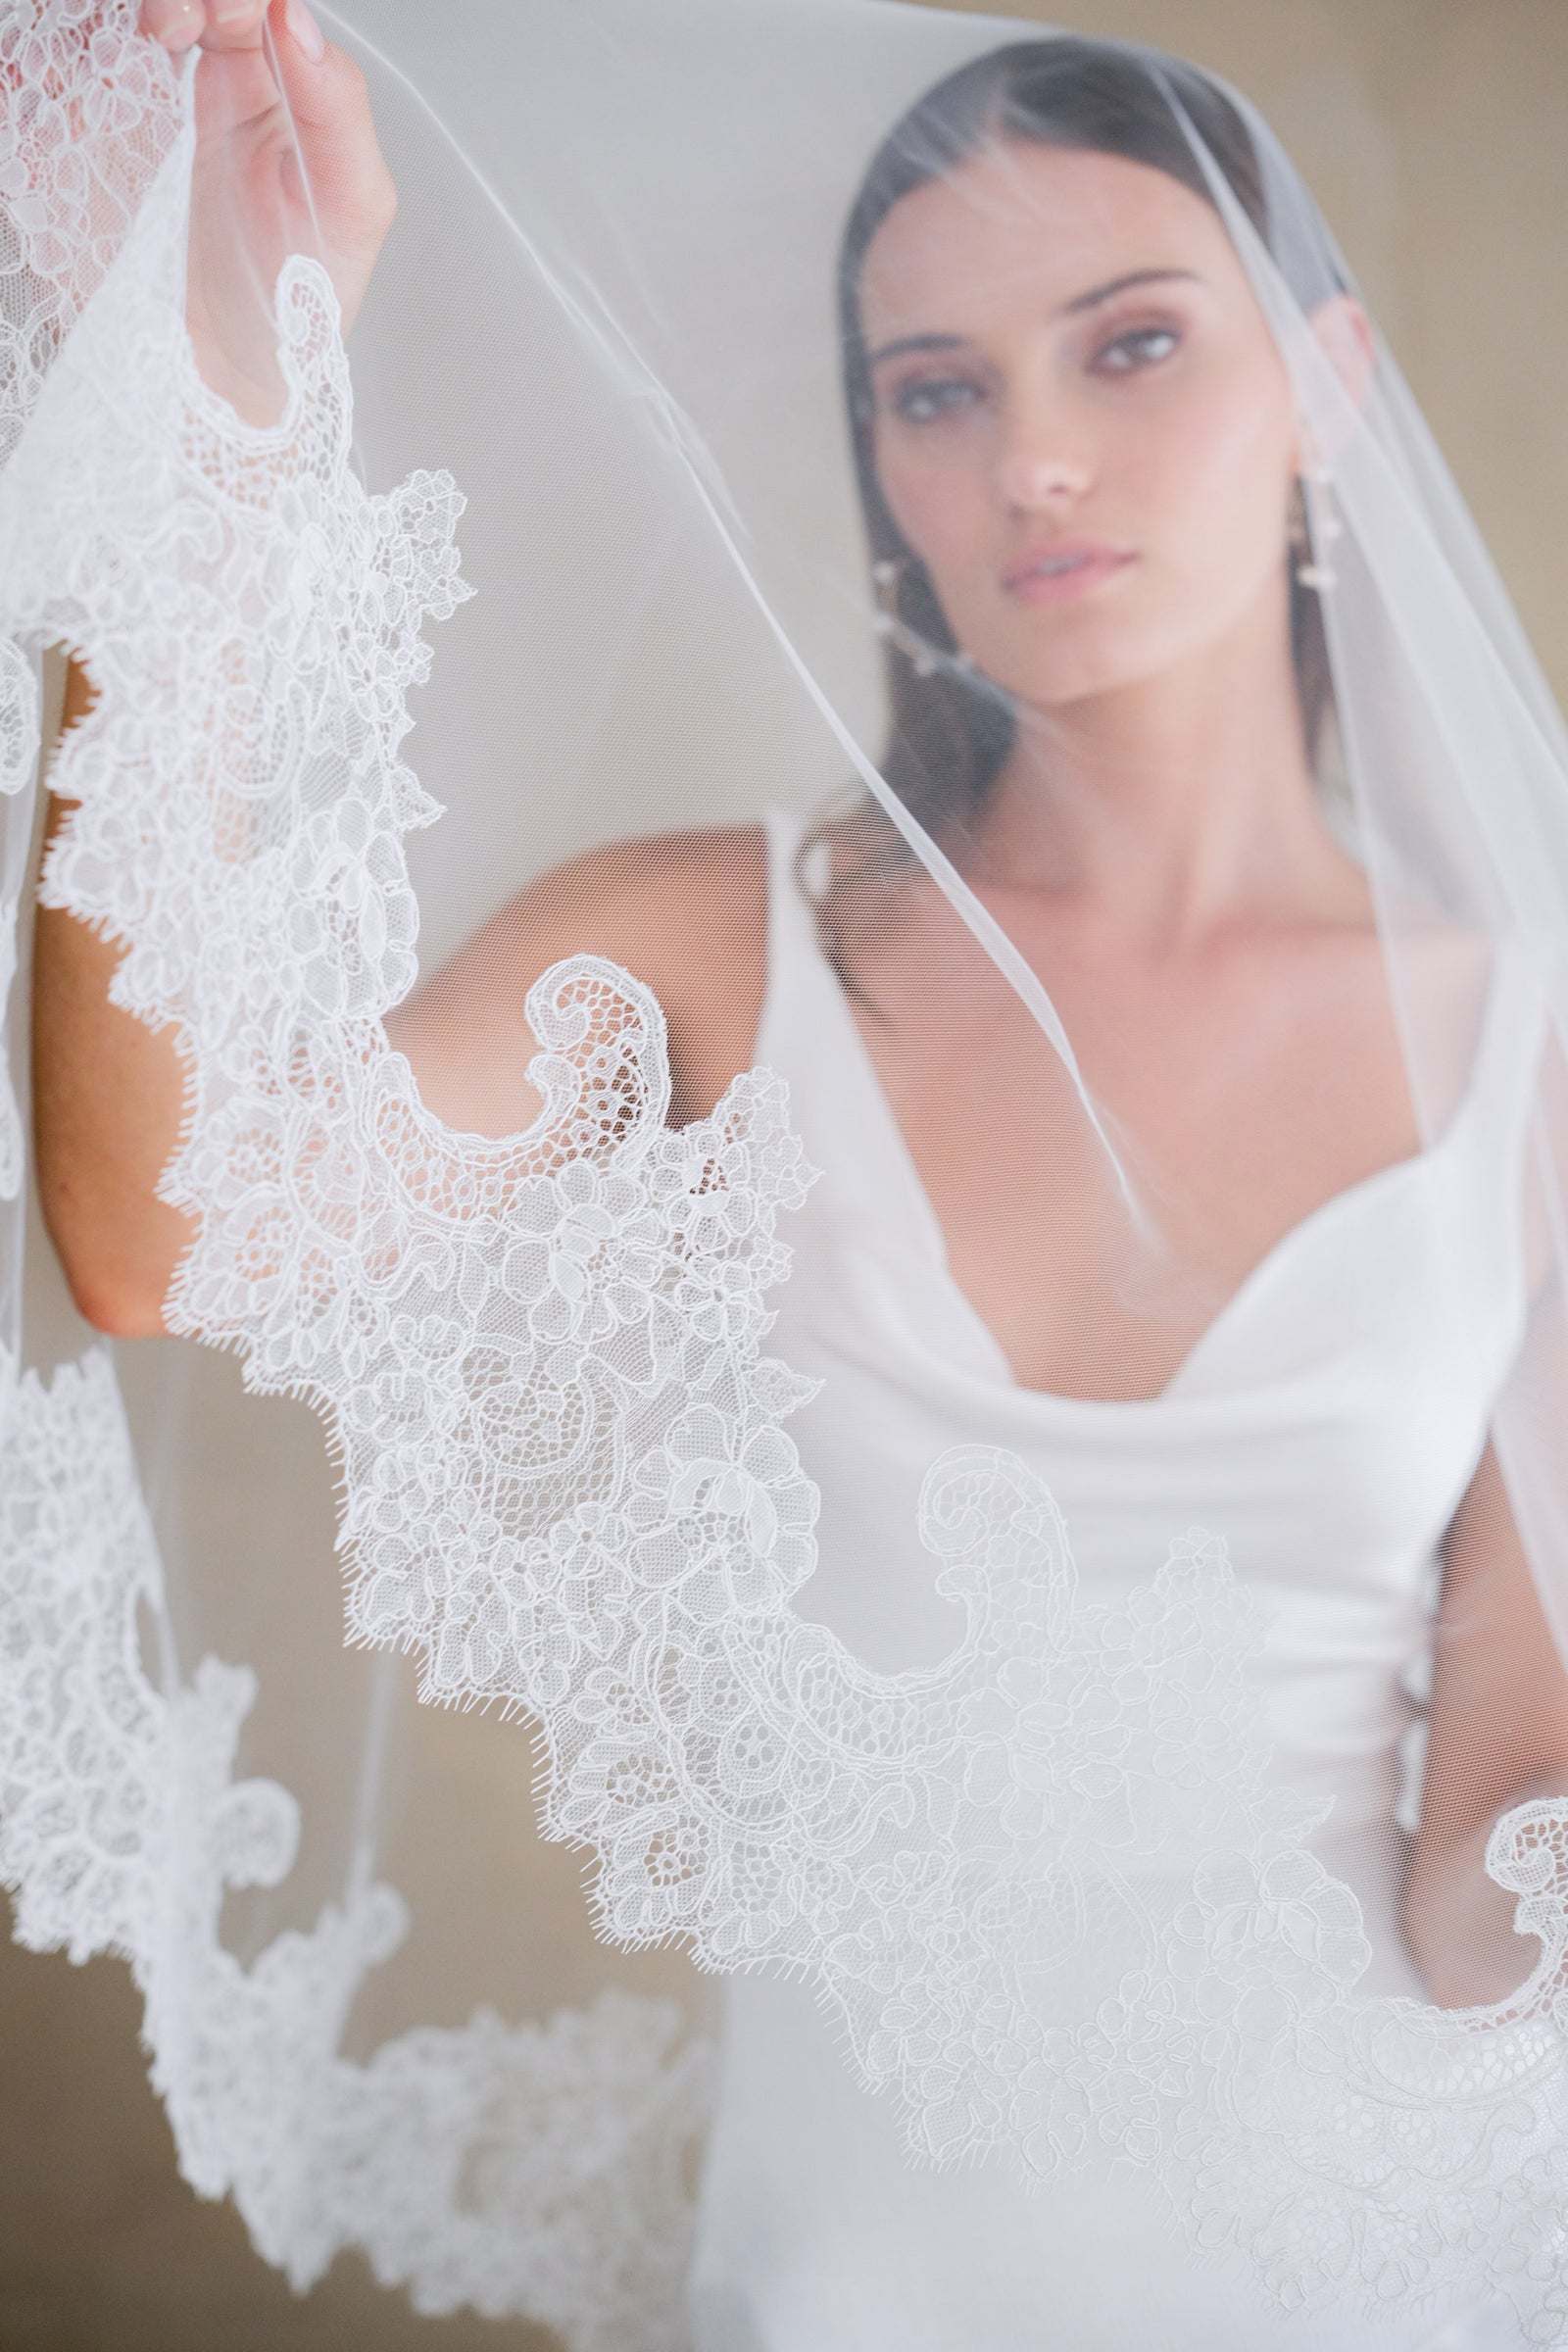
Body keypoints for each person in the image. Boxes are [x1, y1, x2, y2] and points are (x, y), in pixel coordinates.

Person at [27, 4, 1568, 2344]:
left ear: (1325, 387)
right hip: (849, 2283)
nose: (1035, 455)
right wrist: (202, 400)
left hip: (1364, 2283)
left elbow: (1484, 1877)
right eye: (934, 388)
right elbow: (160, 1235)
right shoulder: (712, 954)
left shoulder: (1531, 1047)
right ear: (879, 461)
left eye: (1129, 343)